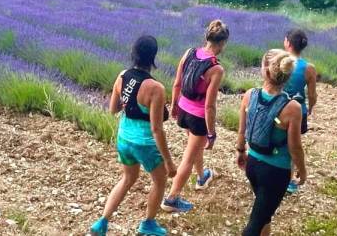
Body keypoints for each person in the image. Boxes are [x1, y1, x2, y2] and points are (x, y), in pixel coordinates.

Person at [90, 36, 176, 236]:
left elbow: (113, 109)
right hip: (144, 143)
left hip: (123, 138)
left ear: (133, 52)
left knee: (127, 178)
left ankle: (102, 222)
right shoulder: (156, 88)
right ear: (153, 57)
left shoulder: (122, 76)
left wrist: (129, 101)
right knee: (160, 180)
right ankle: (148, 224)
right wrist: (169, 162)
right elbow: (157, 129)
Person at [235, 49, 307, 236]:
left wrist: (241, 151)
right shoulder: (292, 108)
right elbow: (295, 146)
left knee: (264, 214)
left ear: (265, 70)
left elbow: (242, 129)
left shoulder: (250, 95)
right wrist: (302, 169)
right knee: (255, 224)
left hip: (252, 164)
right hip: (276, 172)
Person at [162, 20, 229, 213]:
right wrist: (211, 132)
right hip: (198, 117)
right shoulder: (216, 68)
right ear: (223, 43)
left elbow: (176, 84)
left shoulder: (189, 52)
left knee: (194, 146)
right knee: (187, 159)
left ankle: (202, 177)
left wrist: (174, 106)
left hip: (183, 109)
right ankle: (172, 199)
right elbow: (209, 106)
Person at [281, 28, 317, 194]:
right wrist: (310, 108)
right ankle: (289, 181)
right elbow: (312, 94)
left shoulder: (278, 60)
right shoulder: (308, 68)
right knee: (293, 144)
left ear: (287, 43)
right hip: (298, 111)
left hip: (277, 108)